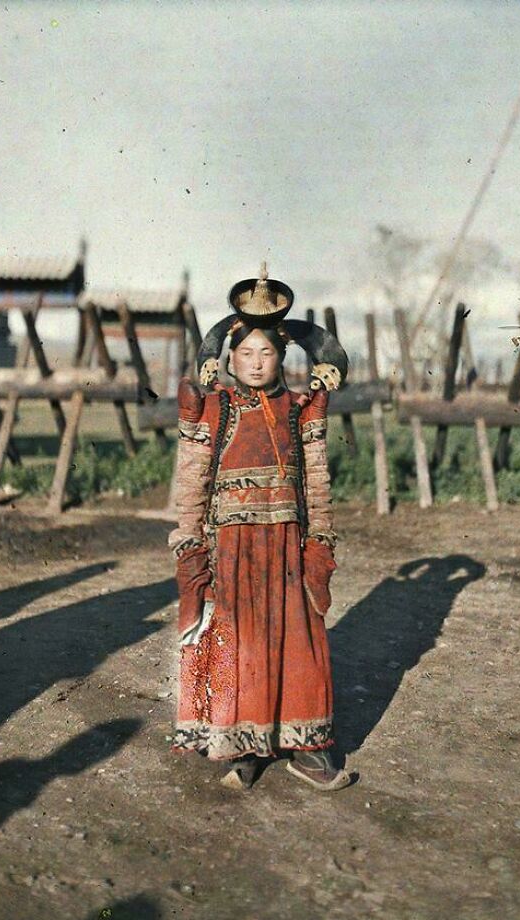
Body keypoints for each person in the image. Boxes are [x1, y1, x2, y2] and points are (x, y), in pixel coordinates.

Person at [168, 264, 350, 791]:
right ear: (229, 360)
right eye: (245, 353)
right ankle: (242, 747)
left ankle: (307, 752)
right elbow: (193, 479)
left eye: (266, 352)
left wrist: (320, 538)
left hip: (288, 548)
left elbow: (317, 478)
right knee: (239, 645)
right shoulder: (214, 408)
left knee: (301, 644)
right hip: (232, 550)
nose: (255, 362)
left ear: (281, 358)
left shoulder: (300, 409)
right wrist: (189, 539)